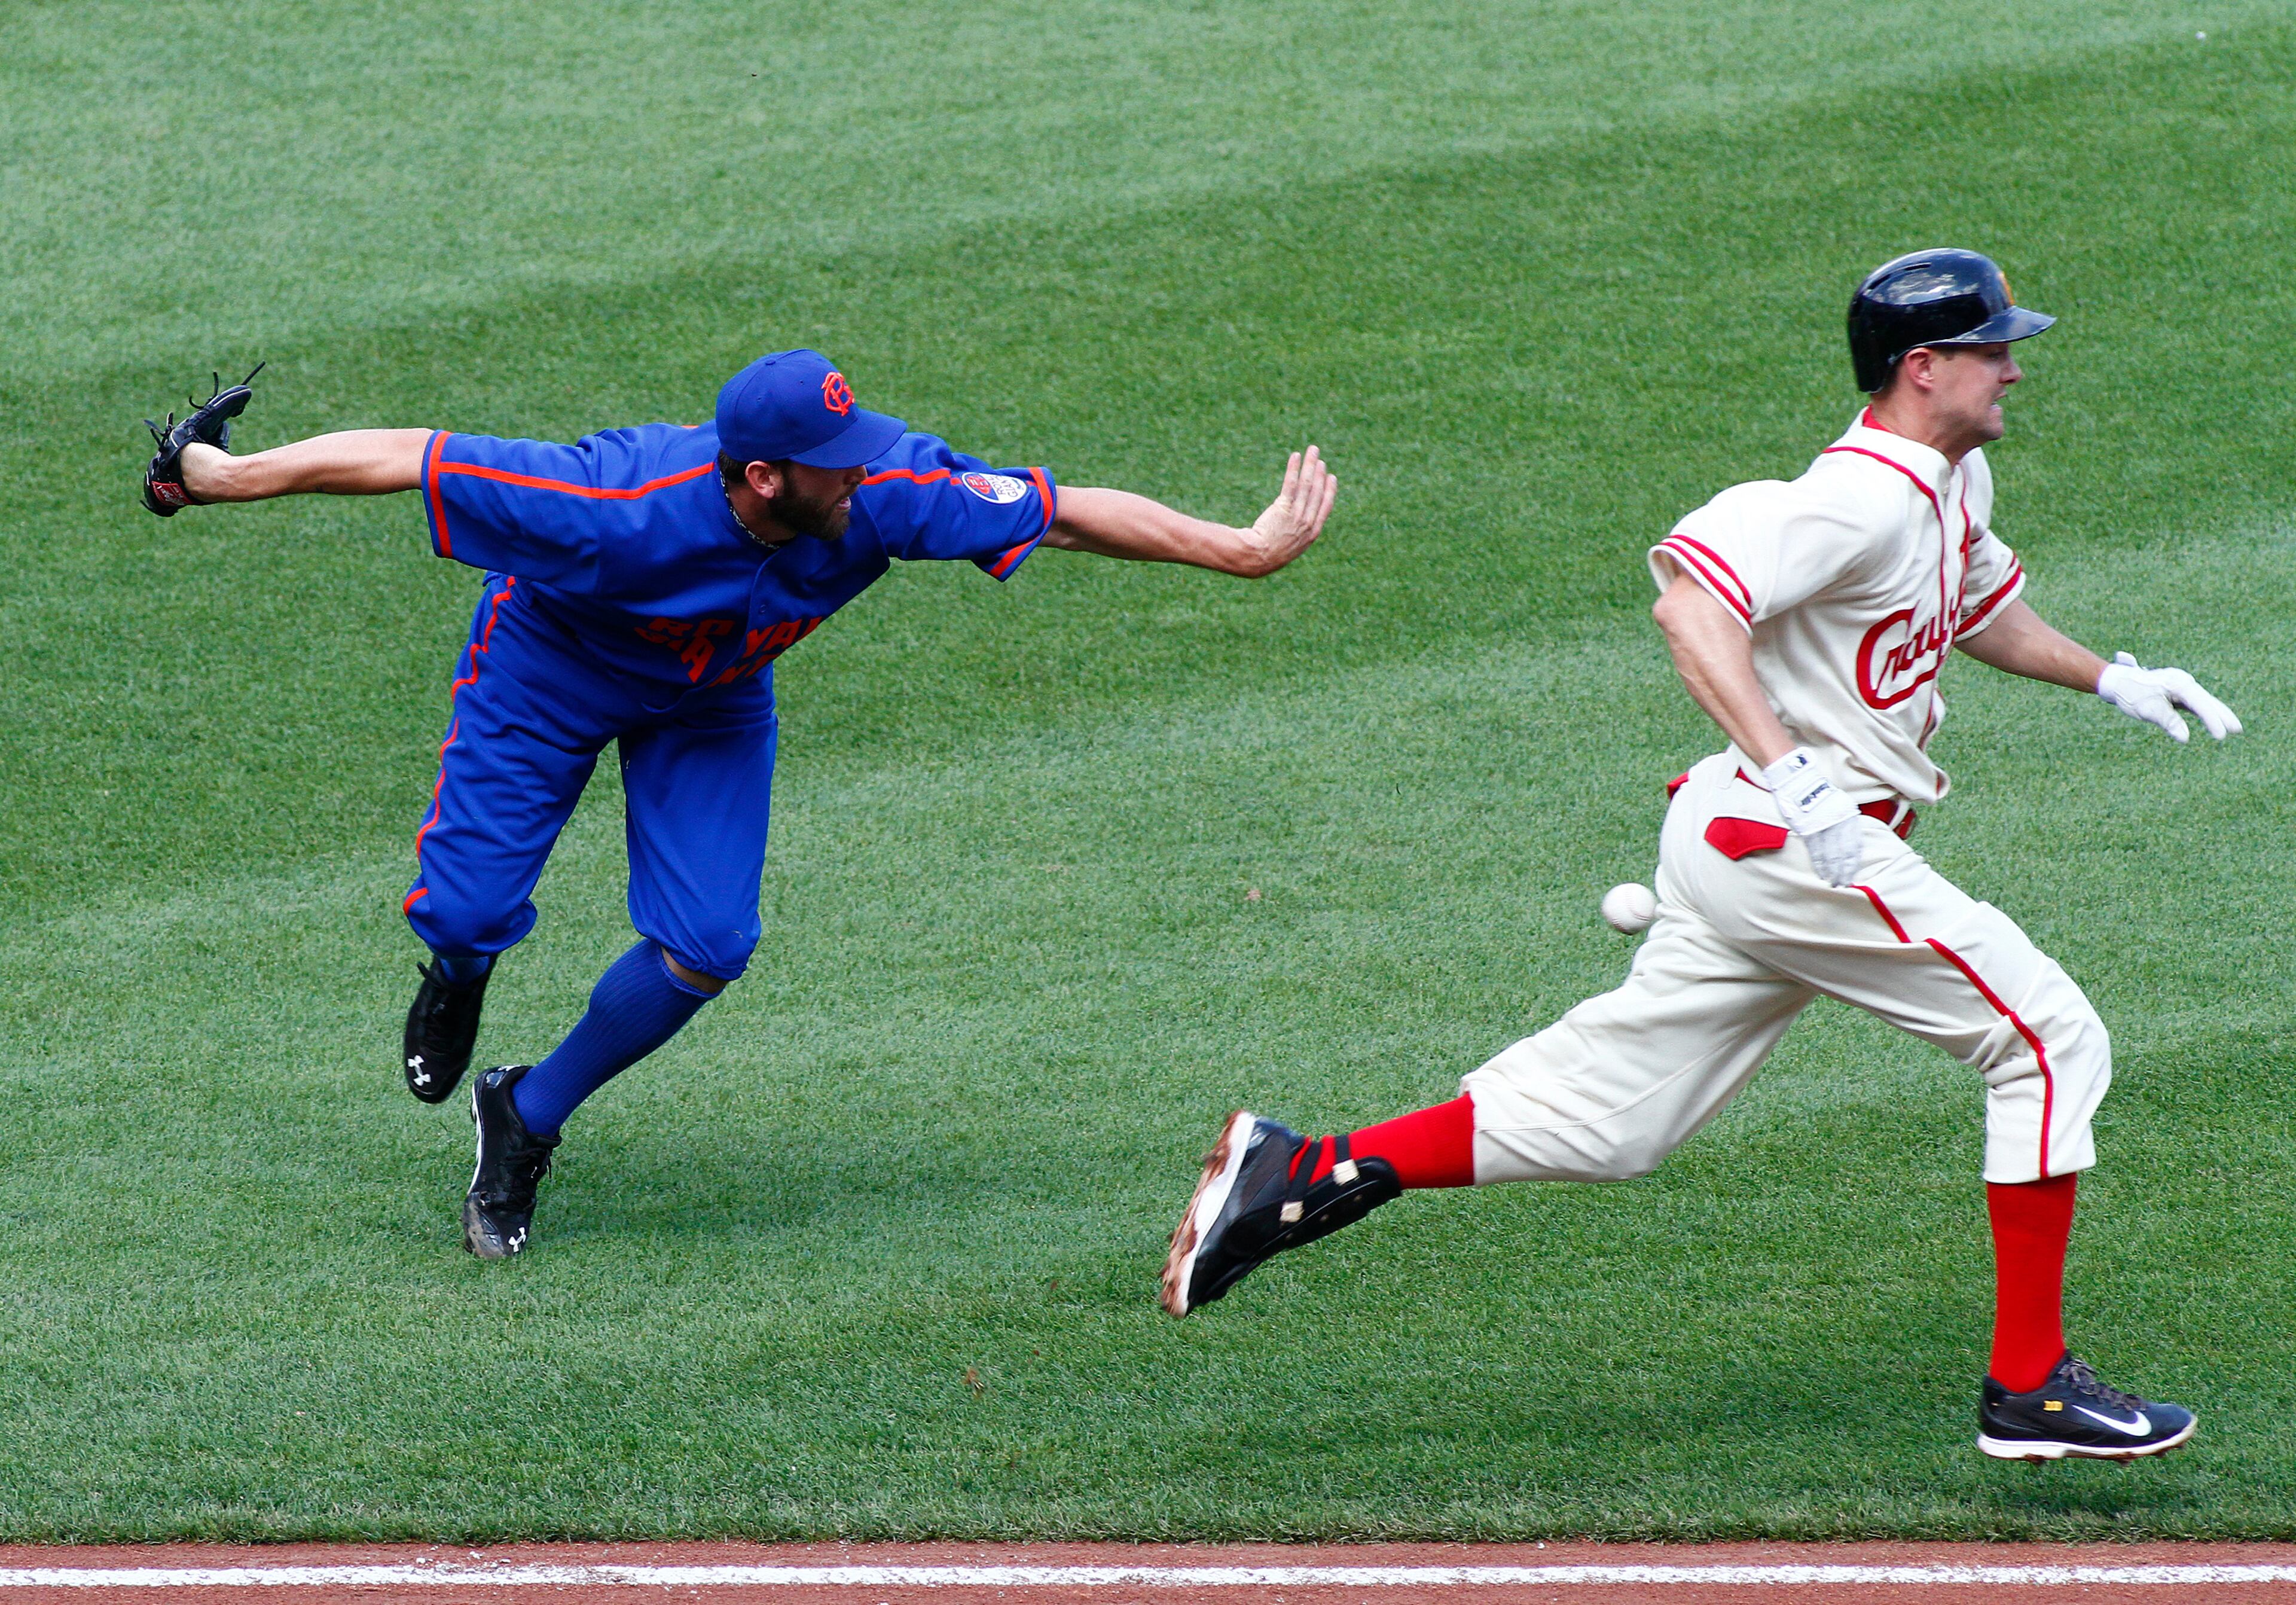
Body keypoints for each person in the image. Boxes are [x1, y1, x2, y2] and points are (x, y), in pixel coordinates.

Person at [1159, 249, 2237, 1463]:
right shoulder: (1854, 497)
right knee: (2046, 1035)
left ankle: (1298, 1171)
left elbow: (1977, 605)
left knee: (1618, 1124)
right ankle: (2029, 1386)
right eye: (1992, 350)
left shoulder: (1954, 477)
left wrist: (2113, 677)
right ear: (1920, 370)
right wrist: (1799, 777)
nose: (2014, 367)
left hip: (1762, 844)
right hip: (1796, 842)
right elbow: (1689, 605)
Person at [141, 349, 1336, 1258]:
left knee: (709, 943)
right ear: (764, 477)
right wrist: (226, 474)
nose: (869, 466)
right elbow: (412, 454)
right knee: (463, 915)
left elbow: (1059, 506)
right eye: (840, 457)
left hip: (710, 701)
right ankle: (458, 974)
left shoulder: (886, 492)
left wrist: (1238, 547)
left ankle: (527, 1114)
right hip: (548, 671)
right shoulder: (612, 499)